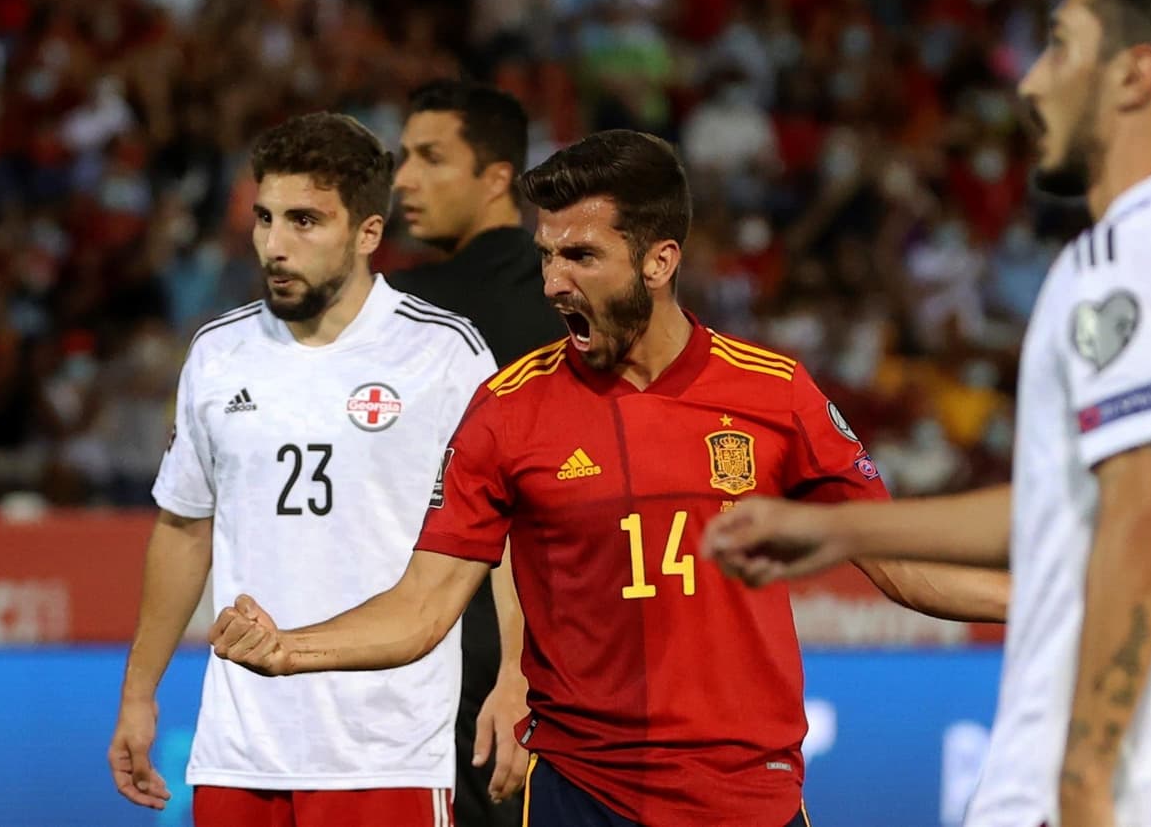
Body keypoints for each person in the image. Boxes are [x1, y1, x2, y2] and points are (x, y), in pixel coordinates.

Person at [207, 129, 1009, 826]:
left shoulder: (773, 392)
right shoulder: (506, 411)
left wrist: (1054, 606)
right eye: (547, 256)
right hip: (579, 796)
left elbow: (901, 568)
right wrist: (290, 649)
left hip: (748, 801)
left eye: (582, 256)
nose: (555, 282)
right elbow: (421, 606)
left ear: (660, 260)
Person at [703, 0, 1151, 827]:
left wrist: (1083, 779)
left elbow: (1146, 503)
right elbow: (1077, 504)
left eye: (1061, 46)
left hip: (1108, 782)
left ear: (1136, 76)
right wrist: (843, 530)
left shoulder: (1123, 259)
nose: (1030, 82)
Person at [107, 111, 498, 826]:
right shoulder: (219, 354)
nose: (274, 246)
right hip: (240, 748)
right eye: (264, 218)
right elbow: (182, 527)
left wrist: (516, 683)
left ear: (368, 233)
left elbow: (498, 539)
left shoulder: (444, 356)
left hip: (385, 750)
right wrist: (140, 692)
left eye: (304, 222)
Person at [389, 79, 563, 825]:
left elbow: (536, 498)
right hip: (517, 654)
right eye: (402, 157)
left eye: (430, 157)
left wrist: (514, 671)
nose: (402, 179)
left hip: (473, 664)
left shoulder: (396, 310)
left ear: (498, 179)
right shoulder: (566, 300)